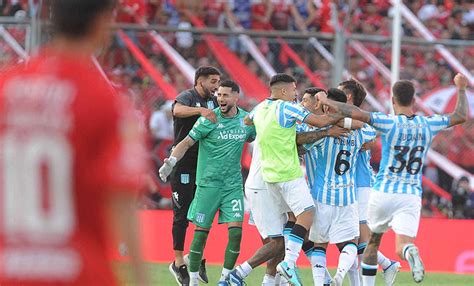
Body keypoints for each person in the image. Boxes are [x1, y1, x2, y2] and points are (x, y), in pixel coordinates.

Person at [0, 0, 148, 285]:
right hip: (77, 270)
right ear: (103, 22)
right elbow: (121, 201)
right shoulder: (106, 102)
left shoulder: (7, 87)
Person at [319, 74, 469, 285]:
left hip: (384, 192)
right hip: (410, 195)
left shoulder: (388, 122)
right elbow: (460, 115)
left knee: (372, 242)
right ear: (414, 101)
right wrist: (461, 89)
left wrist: (328, 101)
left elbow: (357, 113)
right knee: (402, 246)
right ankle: (409, 252)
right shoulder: (428, 123)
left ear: (392, 100)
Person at [238, 74, 348, 286]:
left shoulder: (260, 108)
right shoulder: (288, 108)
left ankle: (298, 277)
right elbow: (322, 121)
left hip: (268, 177)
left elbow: (246, 120)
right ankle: (285, 265)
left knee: (291, 222)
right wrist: (334, 115)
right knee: (306, 216)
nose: (297, 94)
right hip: (287, 173)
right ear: (283, 91)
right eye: (294, 89)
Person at [160, 80, 256, 286]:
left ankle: (225, 280)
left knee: (236, 233)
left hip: (232, 187)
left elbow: (261, 139)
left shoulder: (247, 121)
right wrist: (171, 161)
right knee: (201, 235)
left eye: (225, 95)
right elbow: (185, 142)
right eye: (218, 95)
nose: (220, 98)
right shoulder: (209, 119)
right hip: (207, 187)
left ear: (236, 97)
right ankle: (193, 281)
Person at [299, 88, 375, 286]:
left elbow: (299, 143)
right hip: (348, 196)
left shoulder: (322, 133)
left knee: (319, 245)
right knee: (350, 242)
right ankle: (339, 276)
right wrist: (345, 119)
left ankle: (319, 283)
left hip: (321, 195)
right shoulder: (359, 133)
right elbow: (370, 134)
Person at [337, 79, 400, 286]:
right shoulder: (351, 121)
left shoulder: (363, 123)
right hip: (344, 185)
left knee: (359, 237)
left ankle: (385, 265)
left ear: (347, 97)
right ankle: (386, 264)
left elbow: (365, 138)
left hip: (361, 184)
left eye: (338, 93)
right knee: (350, 240)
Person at [168, 66, 221, 285]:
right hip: (183, 165)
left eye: (218, 82)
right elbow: (177, 110)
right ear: (199, 81)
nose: (216, 86)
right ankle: (178, 262)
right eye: (212, 81)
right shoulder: (188, 97)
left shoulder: (215, 102)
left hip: (205, 166)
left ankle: (195, 256)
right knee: (181, 215)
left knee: (203, 213)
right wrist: (200, 111)